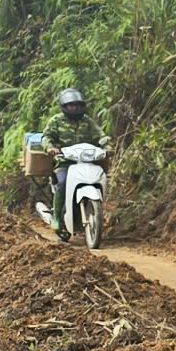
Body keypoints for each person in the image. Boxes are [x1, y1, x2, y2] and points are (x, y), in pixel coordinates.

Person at [41, 88, 104, 238]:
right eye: (71, 105)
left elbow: (100, 136)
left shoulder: (88, 121)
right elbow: (47, 137)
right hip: (64, 163)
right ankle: (57, 217)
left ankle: (95, 212)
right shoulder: (56, 121)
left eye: (78, 105)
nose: (75, 108)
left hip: (86, 162)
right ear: (64, 107)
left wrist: (107, 145)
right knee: (62, 183)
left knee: (98, 180)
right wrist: (50, 148)